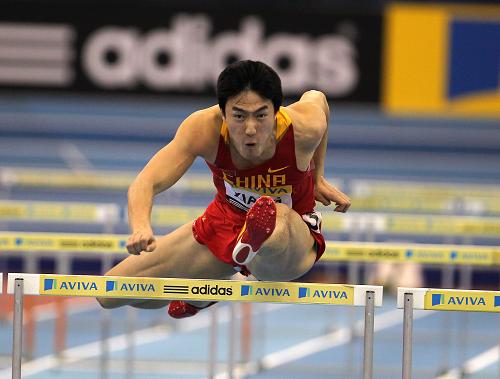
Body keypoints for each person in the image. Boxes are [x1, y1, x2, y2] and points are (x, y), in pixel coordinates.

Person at [97, 60, 351, 317]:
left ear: (276, 111)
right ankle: (212, 286)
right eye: (239, 116)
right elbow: (146, 181)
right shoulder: (203, 129)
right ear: (223, 112)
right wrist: (141, 226)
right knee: (110, 293)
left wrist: (317, 177)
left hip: (291, 235)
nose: (250, 129)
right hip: (225, 222)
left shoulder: (303, 128)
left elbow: (318, 98)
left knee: (274, 215)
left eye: (261, 115)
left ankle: (248, 249)